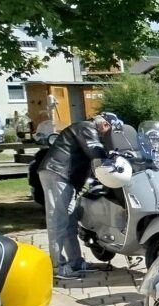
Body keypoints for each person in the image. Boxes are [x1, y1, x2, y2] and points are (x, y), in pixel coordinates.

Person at [38, 116, 112, 279]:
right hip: (57, 173)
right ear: (104, 124)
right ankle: (57, 266)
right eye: (109, 128)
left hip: (66, 177)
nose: (109, 133)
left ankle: (75, 262)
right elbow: (95, 152)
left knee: (70, 221)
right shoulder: (86, 127)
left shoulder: (87, 130)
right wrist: (111, 160)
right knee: (58, 220)